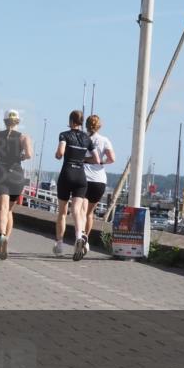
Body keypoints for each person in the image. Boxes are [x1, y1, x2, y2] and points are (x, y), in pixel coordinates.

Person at [0, 110, 33, 260]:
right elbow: (29, 155)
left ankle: (1, 236)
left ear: (5, 121)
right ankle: (6, 238)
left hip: (0, 174)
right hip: (16, 175)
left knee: (2, 208)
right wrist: (21, 156)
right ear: (17, 121)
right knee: (9, 210)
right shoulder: (24, 137)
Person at [53, 109, 100, 257]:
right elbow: (97, 160)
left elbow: (60, 153)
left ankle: (59, 245)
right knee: (77, 211)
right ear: (81, 122)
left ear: (71, 121)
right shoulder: (87, 138)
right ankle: (79, 237)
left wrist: (58, 155)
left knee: (62, 212)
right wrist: (83, 160)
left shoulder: (64, 135)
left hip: (67, 174)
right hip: (81, 176)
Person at [79, 114, 115, 261]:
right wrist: (101, 163)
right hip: (99, 180)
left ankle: (79, 236)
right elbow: (112, 159)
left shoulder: (82, 139)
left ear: (86, 125)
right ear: (99, 126)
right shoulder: (104, 140)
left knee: (81, 212)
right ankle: (85, 238)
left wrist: (85, 160)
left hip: (83, 178)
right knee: (89, 213)